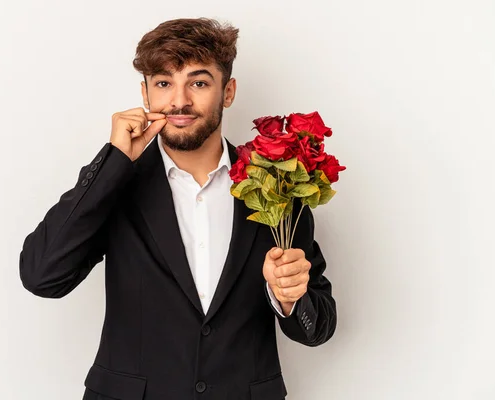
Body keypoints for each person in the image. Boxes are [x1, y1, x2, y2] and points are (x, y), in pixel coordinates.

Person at [19, 17, 337, 400]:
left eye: (199, 83)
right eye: (164, 83)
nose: (180, 100)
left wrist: (289, 299)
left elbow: (318, 325)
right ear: (146, 93)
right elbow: (42, 276)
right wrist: (112, 161)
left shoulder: (278, 187)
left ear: (228, 91)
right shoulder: (118, 183)